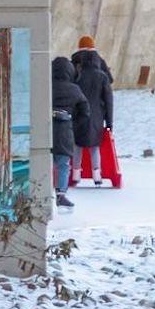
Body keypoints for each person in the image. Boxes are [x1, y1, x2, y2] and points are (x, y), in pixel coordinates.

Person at [70, 36, 119, 188]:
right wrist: (109, 122)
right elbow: (109, 94)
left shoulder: (76, 67)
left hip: (79, 113)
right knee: (94, 146)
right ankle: (97, 175)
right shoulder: (101, 69)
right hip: (97, 114)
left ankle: (75, 174)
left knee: (77, 144)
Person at [49, 56, 91, 212]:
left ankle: (41, 193)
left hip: (45, 129)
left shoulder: (46, 86)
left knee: (44, 161)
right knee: (63, 164)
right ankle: (61, 195)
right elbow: (85, 111)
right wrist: (73, 124)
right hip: (64, 130)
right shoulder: (74, 89)